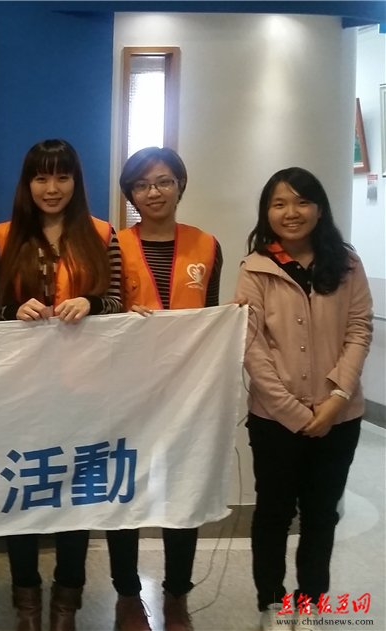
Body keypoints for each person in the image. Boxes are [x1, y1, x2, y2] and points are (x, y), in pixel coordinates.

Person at [0, 139, 123, 631]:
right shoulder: (2, 237)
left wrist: (91, 302)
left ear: (76, 182)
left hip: (84, 390)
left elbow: (119, 302)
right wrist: (12, 310)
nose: (52, 188)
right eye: (41, 177)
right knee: (21, 497)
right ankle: (26, 604)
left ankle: (66, 605)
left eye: (62, 177)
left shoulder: (102, 234)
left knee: (76, 500)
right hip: (20, 391)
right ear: (27, 183)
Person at [234, 168, 371, 631]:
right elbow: (250, 346)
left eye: (301, 202)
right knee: (273, 514)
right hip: (274, 419)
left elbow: (359, 329)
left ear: (319, 208)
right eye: (279, 203)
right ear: (267, 212)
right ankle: (272, 601)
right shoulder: (255, 268)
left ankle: (311, 603)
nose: (290, 212)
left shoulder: (346, 264)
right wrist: (292, 411)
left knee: (321, 515)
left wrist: (336, 398)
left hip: (340, 416)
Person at [115, 146, 224, 631]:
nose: (153, 192)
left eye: (163, 181)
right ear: (130, 194)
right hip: (127, 392)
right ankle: (126, 595)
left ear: (180, 184)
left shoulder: (206, 245)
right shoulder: (114, 243)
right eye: (141, 185)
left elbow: (212, 319)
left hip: (187, 394)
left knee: (183, 492)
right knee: (123, 494)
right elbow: (103, 310)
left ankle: (176, 594)